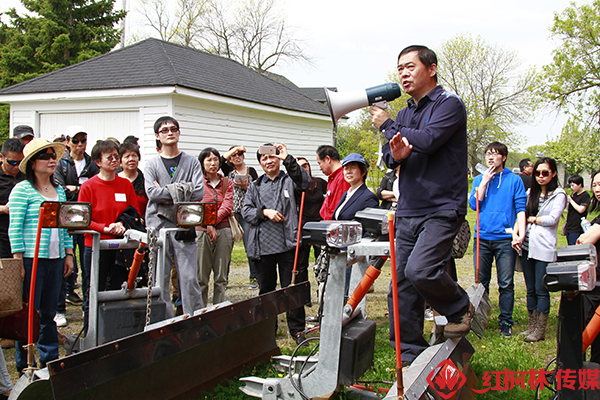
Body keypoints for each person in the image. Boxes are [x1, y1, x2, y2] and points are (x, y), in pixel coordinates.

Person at [369, 45, 471, 365]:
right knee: (400, 288)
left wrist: (387, 126)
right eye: (399, 68)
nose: (403, 73)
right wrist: (394, 152)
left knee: (421, 270)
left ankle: (458, 307)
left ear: (432, 68)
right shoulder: (406, 114)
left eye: (410, 66)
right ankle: (409, 355)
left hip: (442, 207)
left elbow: (426, 140)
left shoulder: (449, 105)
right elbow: (389, 155)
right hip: (409, 209)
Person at [9, 138, 74, 374]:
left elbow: (65, 226)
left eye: (53, 156)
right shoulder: (22, 190)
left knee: (49, 311)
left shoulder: (59, 191)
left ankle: (49, 360)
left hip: (55, 258)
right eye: (45, 156)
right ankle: (24, 360)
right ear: (32, 164)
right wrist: (18, 260)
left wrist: (68, 254)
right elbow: (15, 227)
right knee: (29, 311)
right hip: (31, 258)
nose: (51, 160)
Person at [242, 143, 311, 346]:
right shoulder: (255, 186)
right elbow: (246, 210)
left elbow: (305, 182)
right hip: (263, 247)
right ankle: (266, 329)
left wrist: (288, 158)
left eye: (272, 157)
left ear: (278, 159)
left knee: (291, 288)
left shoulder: (290, 180)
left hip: (288, 245)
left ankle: (297, 330)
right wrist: (264, 212)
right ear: (260, 163)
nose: (269, 161)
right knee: (266, 290)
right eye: (264, 158)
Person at [145, 116, 204, 317]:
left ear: (179, 132)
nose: (169, 132)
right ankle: (161, 321)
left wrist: (166, 191)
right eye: (164, 130)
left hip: (184, 223)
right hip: (158, 223)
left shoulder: (192, 162)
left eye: (173, 129)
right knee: (159, 277)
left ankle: (194, 318)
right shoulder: (151, 164)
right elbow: (151, 194)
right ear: (157, 136)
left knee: (189, 277)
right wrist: (182, 190)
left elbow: (198, 193)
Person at [78, 140, 140, 331]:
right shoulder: (88, 186)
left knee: (120, 287)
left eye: (116, 156)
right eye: (109, 157)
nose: (114, 160)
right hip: (96, 245)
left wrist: (122, 224)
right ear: (98, 161)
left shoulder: (125, 185)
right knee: (94, 289)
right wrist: (105, 228)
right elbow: (82, 219)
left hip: (122, 246)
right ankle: (92, 330)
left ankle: (116, 329)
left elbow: (134, 212)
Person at [468, 142, 526, 337]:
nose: (490, 158)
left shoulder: (514, 180)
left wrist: (520, 233)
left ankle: (506, 322)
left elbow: (521, 209)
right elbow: (474, 205)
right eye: (488, 154)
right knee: (481, 283)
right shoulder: (478, 179)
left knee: (506, 283)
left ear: (503, 157)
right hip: (482, 237)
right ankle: (478, 320)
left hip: (505, 239)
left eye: (495, 154)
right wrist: (484, 182)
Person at [513, 157, 566, 342]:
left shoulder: (559, 194)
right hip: (527, 246)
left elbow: (552, 219)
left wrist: (532, 219)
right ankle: (532, 325)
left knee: (540, 288)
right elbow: (521, 214)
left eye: (545, 173)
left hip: (543, 248)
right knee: (530, 289)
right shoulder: (530, 193)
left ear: (553, 174)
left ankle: (540, 329)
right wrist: (517, 233)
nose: (541, 177)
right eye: (537, 173)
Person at [53, 125, 97, 325]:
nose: (80, 145)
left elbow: (95, 188)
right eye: (76, 140)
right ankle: (60, 308)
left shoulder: (91, 163)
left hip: (88, 219)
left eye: (83, 140)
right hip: (68, 220)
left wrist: (77, 189)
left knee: (88, 263)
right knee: (66, 261)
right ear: (68, 140)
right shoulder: (61, 163)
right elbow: (61, 190)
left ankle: (88, 305)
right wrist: (79, 190)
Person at [196, 148, 234, 306]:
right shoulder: (197, 183)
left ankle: (218, 309)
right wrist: (207, 224)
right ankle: (200, 310)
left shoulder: (227, 182)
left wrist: (213, 222)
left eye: (216, 160)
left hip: (224, 229)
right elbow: (197, 206)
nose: (213, 163)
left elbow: (227, 205)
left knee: (221, 275)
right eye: (208, 160)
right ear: (202, 162)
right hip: (201, 231)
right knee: (201, 276)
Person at [221, 145, 259, 289]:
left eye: (240, 154)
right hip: (230, 213)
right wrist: (235, 148)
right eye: (234, 155)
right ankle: (223, 279)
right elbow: (220, 159)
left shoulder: (251, 171)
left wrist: (245, 187)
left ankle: (254, 277)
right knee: (226, 248)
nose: (237, 157)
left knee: (250, 246)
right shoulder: (228, 171)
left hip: (246, 213)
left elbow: (257, 192)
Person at [577, 169, 600, 364]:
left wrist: (585, 236)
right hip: (594, 280)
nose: (597, 189)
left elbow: (586, 239)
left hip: (596, 286)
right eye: (595, 185)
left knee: (583, 333)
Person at [0, 139, 25, 258]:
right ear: (1, 157)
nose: (16, 167)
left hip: (23, 238)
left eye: (20, 162)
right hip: (2, 237)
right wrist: (4, 209)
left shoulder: (28, 176)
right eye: (12, 162)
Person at [316, 145, 350, 220]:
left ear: (328, 159)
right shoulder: (333, 178)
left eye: (320, 163)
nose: (320, 168)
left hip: (333, 225)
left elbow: (340, 208)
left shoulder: (342, 178)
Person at [118, 142, 149, 216]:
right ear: (120, 161)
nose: (131, 159)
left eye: (134, 156)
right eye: (127, 156)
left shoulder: (145, 180)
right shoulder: (114, 180)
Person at [564, 174, 590, 245]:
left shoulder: (585, 196)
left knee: (574, 248)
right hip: (569, 226)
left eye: (573, 185)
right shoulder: (574, 194)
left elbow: (581, 209)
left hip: (577, 228)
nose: (571, 187)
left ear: (580, 184)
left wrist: (571, 200)